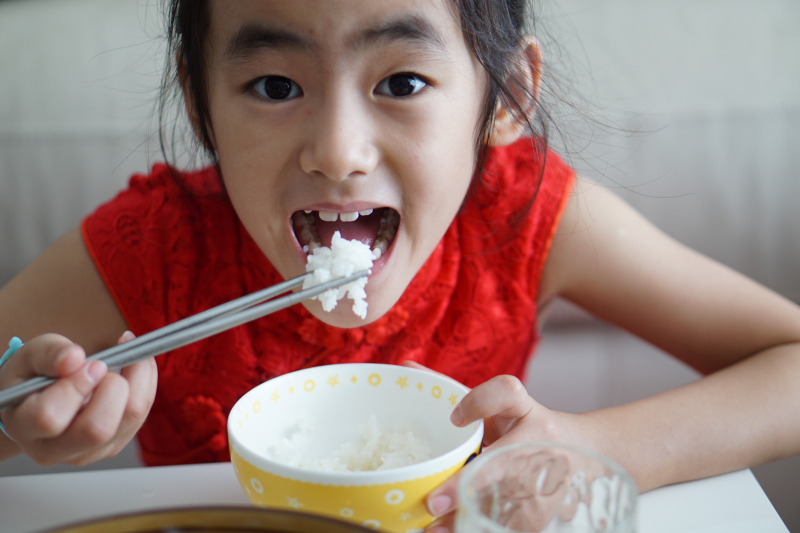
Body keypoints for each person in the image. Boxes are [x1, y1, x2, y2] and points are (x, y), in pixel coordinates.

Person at [1, 0, 799, 530]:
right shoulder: (157, 244)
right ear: (198, 96)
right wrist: (20, 417)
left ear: (509, 96)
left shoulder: (525, 216)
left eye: (403, 81)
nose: (337, 152)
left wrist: (589, 446)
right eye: (275, 85)